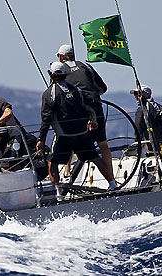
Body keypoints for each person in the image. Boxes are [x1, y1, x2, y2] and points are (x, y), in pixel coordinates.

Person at [36, 62, 116, 198]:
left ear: (51, 75)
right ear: (65, 75)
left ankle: (58, 193)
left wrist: (41, 139)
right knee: (95, 157)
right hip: (82, 134)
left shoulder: (49, 93)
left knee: (52, 162)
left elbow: (46, 119)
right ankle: (113, 185)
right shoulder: (76, 90)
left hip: (64, 136)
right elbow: (88, 108)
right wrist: (93, 120)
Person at [56, 44, 114, 183]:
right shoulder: (85, 66)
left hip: (79, 109)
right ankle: (111, 179)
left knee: (68, 137)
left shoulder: (61, 69)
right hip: (96, 104)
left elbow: (58, 93)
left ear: (61, 57)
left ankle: (66, 174)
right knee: (103, 144)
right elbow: (102, 88)